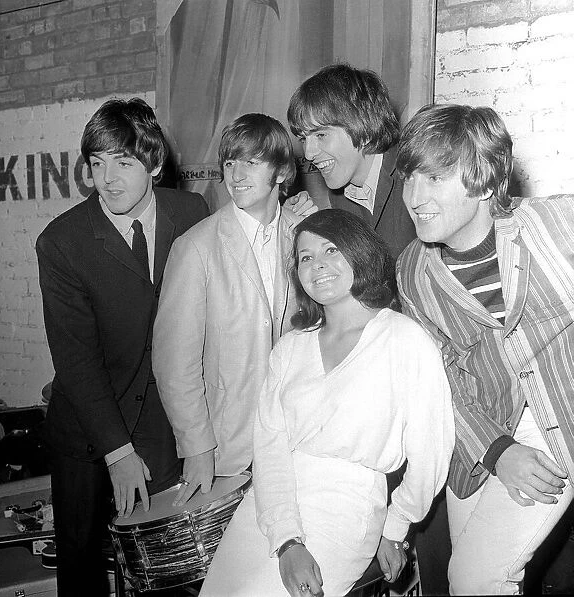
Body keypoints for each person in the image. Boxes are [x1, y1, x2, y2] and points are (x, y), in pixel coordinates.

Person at [199, 209, 454, 597]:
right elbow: (269, 449)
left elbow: (430, 455)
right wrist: (286, 539)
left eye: (331, 249)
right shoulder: (290, 347)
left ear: (359, 253)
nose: (317, 265)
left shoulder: (404, 340)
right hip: (268, 507)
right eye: (304, 257)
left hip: (344, 510)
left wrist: (396, 525)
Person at [395, 103, 574, 595]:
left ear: (482, 178)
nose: (414, 197)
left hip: (559, 408)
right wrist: (497, 451)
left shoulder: (558, 226)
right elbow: (442, 379)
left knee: (476, 578)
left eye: (433, 178)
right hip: (483, 432)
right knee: (462, 581)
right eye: (409, 178)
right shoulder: (413, 270)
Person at [35, 98, 210, 596]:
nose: (107, 179)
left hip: (162, 424)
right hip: (91, 434)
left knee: (168, 565)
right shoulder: (62, 242)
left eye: (124, 162)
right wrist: (117, 452)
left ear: (154, 164)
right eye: (97, 163)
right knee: (83, 562)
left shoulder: (190, 211)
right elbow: (75, 361)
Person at [153, 113, 306, 504]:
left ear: (282, 171)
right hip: (229, 450)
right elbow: (174, 362)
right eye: (229, 162)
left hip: (300, 439)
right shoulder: (197, 248)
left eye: (252, 162)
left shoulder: (309, 236)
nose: (236, 174)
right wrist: (197, 447)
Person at [287, 63, 415, 259]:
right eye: (304, 139)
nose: (309, 154)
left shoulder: (413, 176)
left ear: (363, 129)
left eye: (321, 135)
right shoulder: (341, 195)